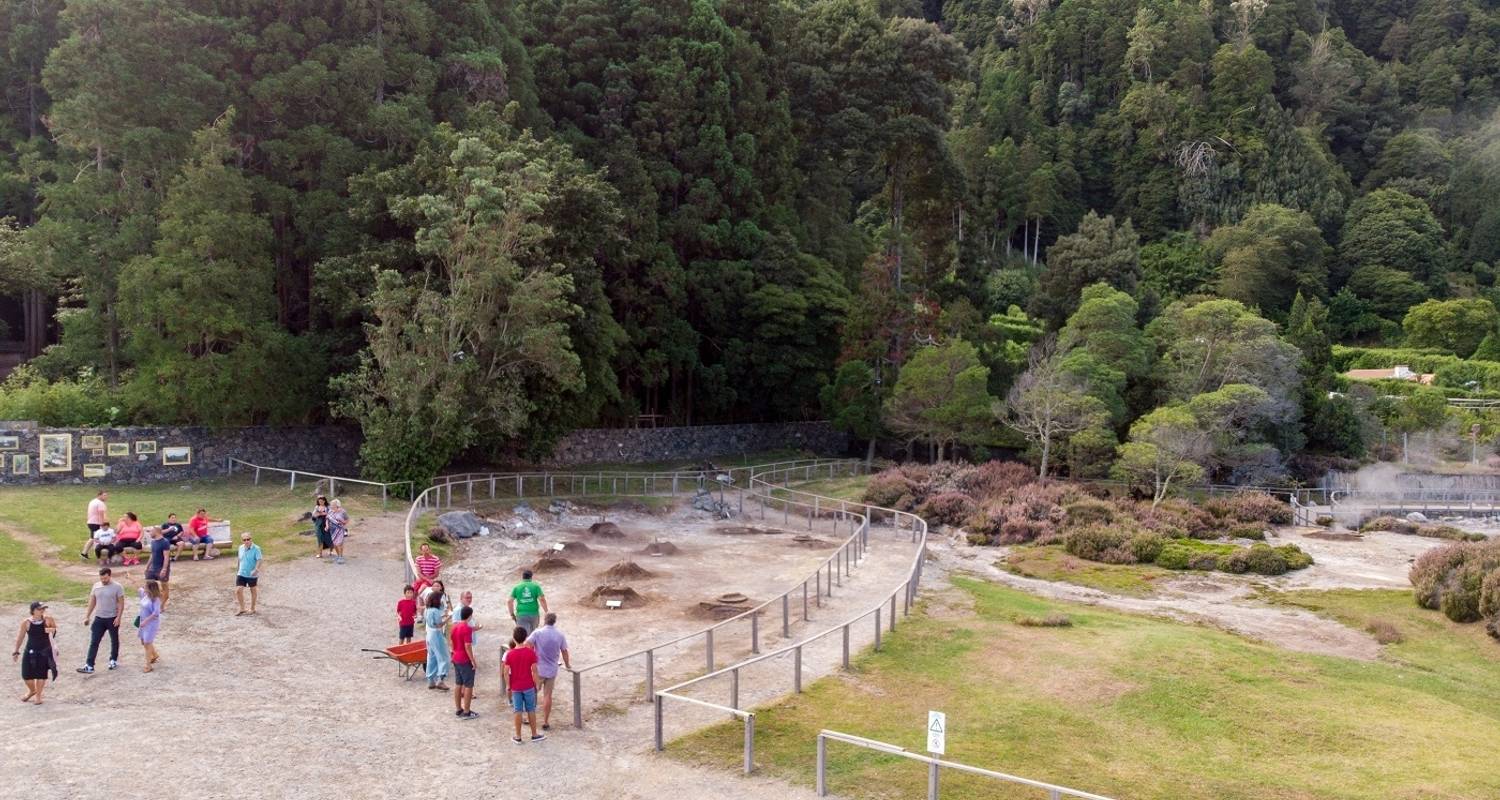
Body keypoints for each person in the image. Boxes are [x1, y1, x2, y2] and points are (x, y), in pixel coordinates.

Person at [527, 613, 571, 731]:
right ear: (554, 621)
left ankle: (529, 717)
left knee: (532, 693)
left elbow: (528, 644)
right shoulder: (559, 635)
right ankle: (546, 721)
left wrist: (531, 658)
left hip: (538, 668)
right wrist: (567, 665)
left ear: (545, 620)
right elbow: (564, 651)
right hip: (551, 670)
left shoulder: (537, 633)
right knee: (547, 696)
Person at [501, 626, 544, 743]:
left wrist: (508, 685)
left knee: (517, 710)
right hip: (528, 685)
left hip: (515, 686)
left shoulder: (509, 654)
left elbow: (505, 672)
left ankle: (518, 736)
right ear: (525, 638)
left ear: (514, 639)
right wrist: (537, 683)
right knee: (531, 709)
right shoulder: (530, 653)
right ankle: (534, 734)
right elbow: (535, 670)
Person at [79, 567, 124, 674]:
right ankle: (89, 665)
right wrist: (87, 616)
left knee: (114, 639)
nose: (103, 580)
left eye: (105, 578)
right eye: (101, 578)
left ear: (109, 575)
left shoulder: (117, 587)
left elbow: (121, 603)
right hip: (99, 618)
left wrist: (119, 617)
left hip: (112, 617)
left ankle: (113, 659)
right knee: (94, 641)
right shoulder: (96, 586)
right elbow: (92, 602)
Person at [14, 601, 57, 704]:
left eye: (43, 609)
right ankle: (32, 690)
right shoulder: (26, 622)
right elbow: (20, 637)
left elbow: (55, 630)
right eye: (39, 609)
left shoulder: (48, 619)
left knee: (41, 675)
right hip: (30, 651)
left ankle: (38, 696)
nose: (42, 611)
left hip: (44, 651)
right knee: (26, 675)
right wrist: (16, 651)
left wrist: (50, 629)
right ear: (33, 611)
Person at [450, 607, 478, 720]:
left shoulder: (455, 627)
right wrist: (472, 660)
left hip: (456, 656)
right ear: (470, 616)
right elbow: (467, 645)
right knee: (468, 685)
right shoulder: (466, 628)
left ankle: (458, 709)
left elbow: (451, 641)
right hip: (464, 659)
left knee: (458, 683)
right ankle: (466, 711)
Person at [423, 592, 450, 690]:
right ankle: (441, 679)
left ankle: (431, 679)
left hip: (429, 634)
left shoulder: (428, 610)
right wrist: (448, 618)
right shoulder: (435, 611)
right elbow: (439, 624)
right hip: (436, 634)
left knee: (431, 657)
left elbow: (432, 622)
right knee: (444, 657)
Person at [508, 570, 548, 635]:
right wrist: (546, 611)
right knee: (533, 635)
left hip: (521, 614)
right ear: (531, 577)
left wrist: (512, 614)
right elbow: (542, 599)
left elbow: (509, 601)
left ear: (522, 577)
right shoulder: (535, 586)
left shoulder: (517, 587)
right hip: (534, 614)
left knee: (523, 636)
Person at [143, 526, 173, 609]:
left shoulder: (165, 542)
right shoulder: (153, 542)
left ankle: (161, 606)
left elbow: (166, 557)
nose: (150, 533)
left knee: (164, 586)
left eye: (151, 531)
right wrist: (147, 566)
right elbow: (152, 555)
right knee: (149, 585)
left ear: (156, 531)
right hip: (153, 568)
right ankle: (154, 602)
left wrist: (164, 569)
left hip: (161, 568)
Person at [137, 580, 163, 672]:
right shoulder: (145, 595)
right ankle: (155, 654)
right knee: (144, 641)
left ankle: (148, 666)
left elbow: (156, 613)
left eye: (146, 587)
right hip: (144, 622)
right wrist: (130, 578)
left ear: (151, 589)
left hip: (151, 624)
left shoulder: (156, 599)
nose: (144, 588)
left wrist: (145, 621)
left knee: (147, 643)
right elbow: (137, 585)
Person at [235, 533, 262, 616]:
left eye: (248, 539)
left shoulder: (256, 548)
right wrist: (238, 569)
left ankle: (252, 608)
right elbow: (239, 559)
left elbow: (259, 560)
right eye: (244, 540)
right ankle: (242, 608)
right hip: (241, 573)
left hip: (252, 574)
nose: (246, 541)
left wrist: (256, 569)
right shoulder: (240, 548)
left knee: (253, 590)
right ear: (242, 540)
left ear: (251, 539)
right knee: (238, 590)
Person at [80, 490, 108, 560]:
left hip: (91, 522)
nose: (106, 497)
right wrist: (102, 524)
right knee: (95, 539)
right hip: (96, 523)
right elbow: (101, 515)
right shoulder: (100, 503)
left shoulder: (93, 501)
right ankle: (96, 555)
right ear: (99, 495)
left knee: (92, 538)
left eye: (106, 495)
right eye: (104, 495)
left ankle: (84, 553)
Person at [326, 498, 350, 565]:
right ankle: (338, 555)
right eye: (331, 504)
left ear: (337, 505)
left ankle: (341, 557)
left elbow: (347, 519)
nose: (331, 505)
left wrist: (343, 522)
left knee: (339, 543)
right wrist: (327, 526)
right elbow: (327, 519)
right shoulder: (330, 511)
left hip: (340, 530)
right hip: (332, 530)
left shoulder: (342, 511)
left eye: (333, 504)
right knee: (334, 544)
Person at [311, 496, 331, 560]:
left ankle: (331, 551)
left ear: (324, 501)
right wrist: (319, 514)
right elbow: (313, 515)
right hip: (319, 524)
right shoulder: (317, 507)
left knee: (328, 538)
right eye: (319, 501)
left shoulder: (328, 507)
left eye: (322, 501)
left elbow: (331, 514)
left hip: (326, 524)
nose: (320, 502)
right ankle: (320, 553)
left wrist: (323, 514)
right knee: (319, 538)